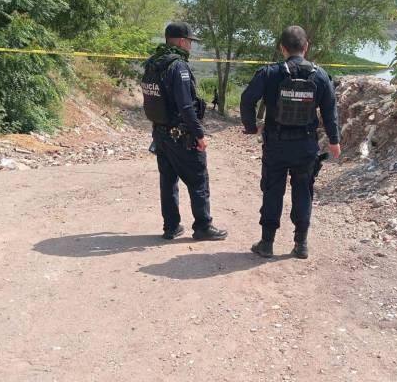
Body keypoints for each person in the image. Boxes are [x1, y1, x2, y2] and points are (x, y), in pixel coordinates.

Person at [240, 25, 341, 259]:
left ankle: (266, 243)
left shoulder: (269, 73)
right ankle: (301, 245)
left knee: (272, 190)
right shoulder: (321, 75)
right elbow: (330, 112)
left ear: (281, 48)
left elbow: (247, 100)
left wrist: (252, 127)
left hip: (276, 144)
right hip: (305, 146)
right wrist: (334, 141)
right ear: (306, 47)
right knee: (303, 192)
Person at [141, 22, 227, 241]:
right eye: (189, 41)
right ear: (181, 41)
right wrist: (199, 135)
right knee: (198, 178)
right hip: (180, 134)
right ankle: (203, 226)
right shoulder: (177, 66)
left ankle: (171, 227)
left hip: (160, 132)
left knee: (168, 180)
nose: (190, 45)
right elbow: (186, 106)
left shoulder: (153, 63)